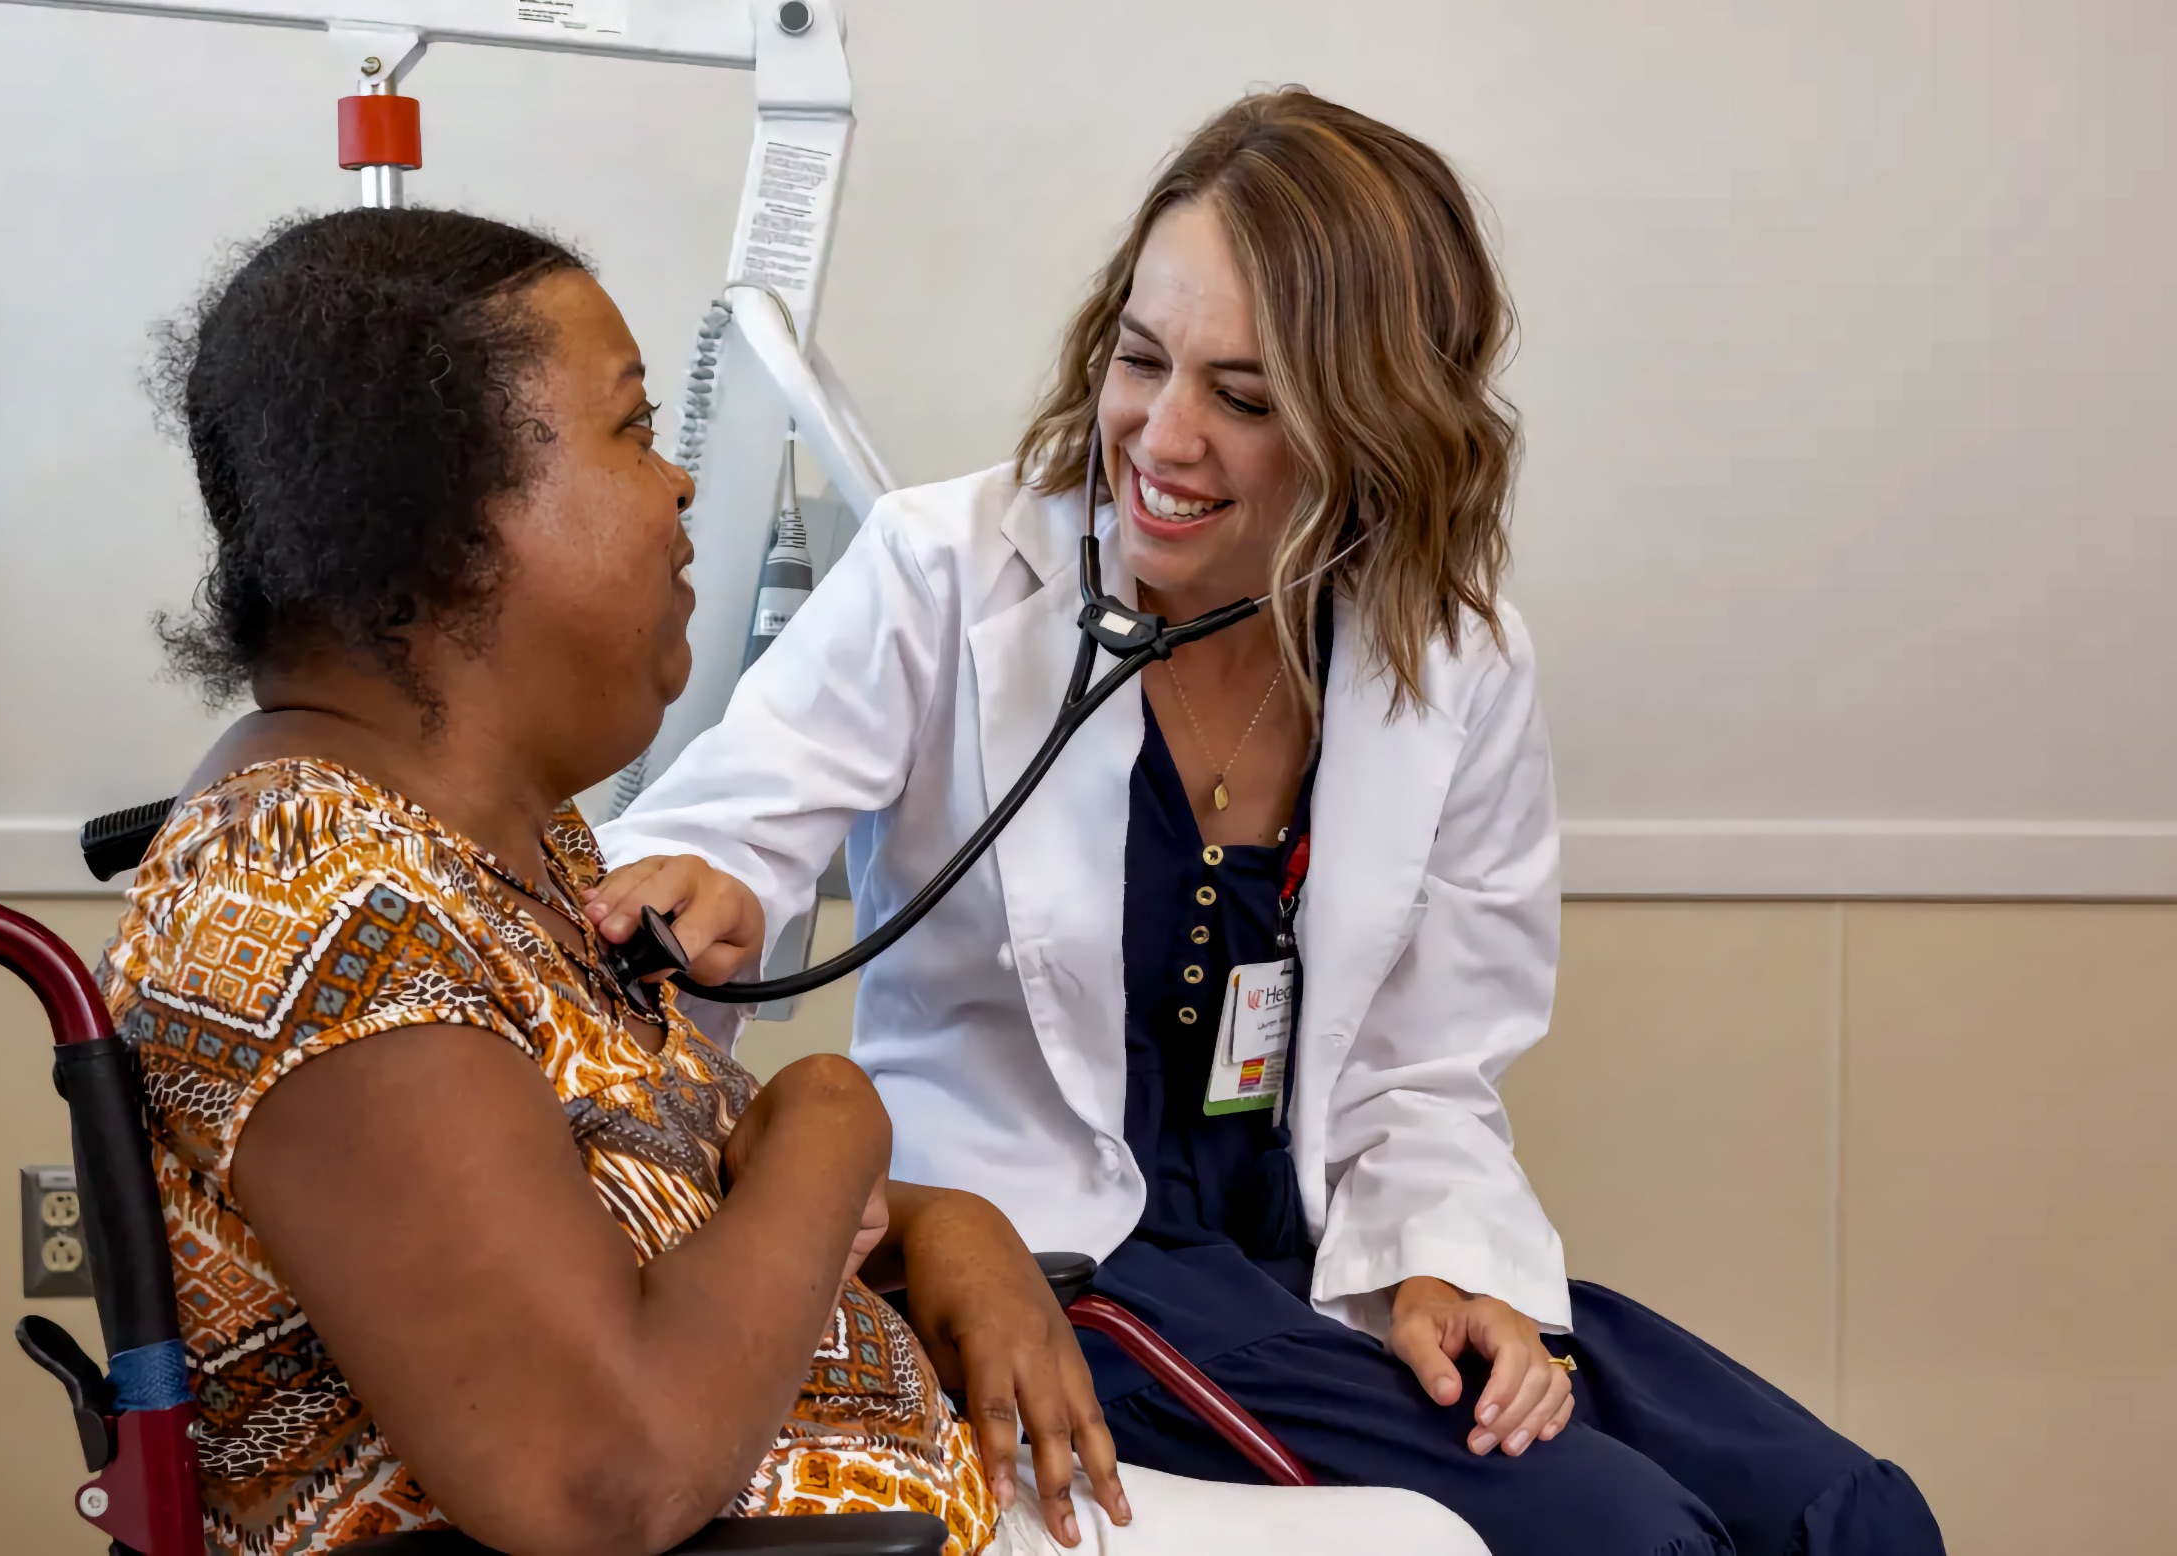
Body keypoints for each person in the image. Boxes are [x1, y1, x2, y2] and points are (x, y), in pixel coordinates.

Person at [593, 91, 1947, 1556]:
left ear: (1380, 423)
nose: (1161, 439)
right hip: (1073, 1257)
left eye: (1243, 396)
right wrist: (708, 885)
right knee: (1624, 1537)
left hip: (1325, 1255)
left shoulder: (1452, 653)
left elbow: (1430, 1067)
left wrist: (1449, 1263)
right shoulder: (950, 574)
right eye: (1140, 360)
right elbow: (722, 830)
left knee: (1851, 1517)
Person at [98, 207, 1482, 1556]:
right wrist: (836, 1112)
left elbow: (667, 1215)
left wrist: (947, 1226)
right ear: (449, 527)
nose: (684, 482)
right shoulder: (325, 912)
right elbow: (605, 1479)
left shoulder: (481, 856)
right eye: (635, 430)